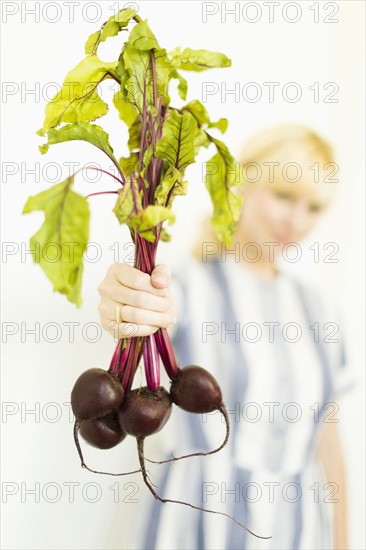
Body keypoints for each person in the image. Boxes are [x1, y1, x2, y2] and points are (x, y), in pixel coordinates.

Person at [97, 125, 351, 549]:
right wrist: (122, 302)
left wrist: (344, 540)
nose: (296, 220)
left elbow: (326, 435)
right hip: (197, 524)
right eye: (284, 195)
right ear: (241, 183)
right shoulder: (181, 286)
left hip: (299, 531)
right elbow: (132, 316)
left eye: (313, 207)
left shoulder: (318, 307)